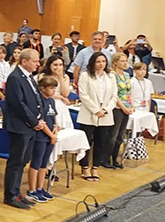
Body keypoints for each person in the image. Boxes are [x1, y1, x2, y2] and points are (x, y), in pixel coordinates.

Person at [3, 49, 44, 210]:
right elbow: (18, 104)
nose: (38, 64)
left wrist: (39, 119)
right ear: (24, 61)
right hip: (20, 126)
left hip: (30, 127)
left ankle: (17, 192)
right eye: (35, 61)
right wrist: (34, 121)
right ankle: (10, 195)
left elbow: (36, 100)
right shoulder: (15, 78)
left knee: (23, 161)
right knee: (16, 161)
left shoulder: (29, 77)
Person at [76, 52, 117, 182]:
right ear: (93, 62)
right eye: (98, 61)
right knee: (86, 142)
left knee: (101, 142)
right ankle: (85, 167)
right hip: (88, 113)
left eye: (103, 61)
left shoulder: (110, 76)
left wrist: (105, 110)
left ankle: (95, 167)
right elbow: (83, 95)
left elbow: (114, 96)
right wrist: (96, 110)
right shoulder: (85, 75)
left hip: (105, 114)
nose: (101, 64)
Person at [25, 76, 59, 203]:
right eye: (51, 88)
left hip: (51, 136)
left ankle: (40, 188)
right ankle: (32, 190)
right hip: (41, 136)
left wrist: (56, 129)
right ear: (42, 89)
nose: (53, 90)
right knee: (36, 163)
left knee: (44, 163)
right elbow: (41, 122)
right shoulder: (39, 102)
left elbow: (54, 117)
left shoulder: (51, 101)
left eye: (55, 88)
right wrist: (51, 135)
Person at [106, 52, 134, 169]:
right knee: (113, 135)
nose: (124, 63)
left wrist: (131, 106)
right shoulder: (112, 75)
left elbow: (129, 92)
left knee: (120, 136)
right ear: (115, 62)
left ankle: (115, 158)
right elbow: (115, 94)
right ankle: (106, 158)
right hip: (117, 107)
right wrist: (123, 107)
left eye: (125, 61)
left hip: (127, 107)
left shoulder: (127, 75)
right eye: (122, 61)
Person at [39, 55, 73, 129]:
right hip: (47, 102)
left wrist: (60, 77)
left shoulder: (65, 77)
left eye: (60, 65)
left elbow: (65, 93)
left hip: (61, 105)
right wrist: (60, 97)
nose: (58, 67)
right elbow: (42, 92)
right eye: (55, 65)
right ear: (49, 65)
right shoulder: (43, 76)